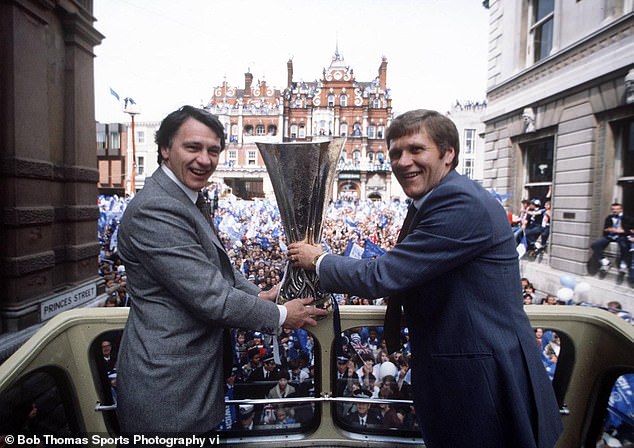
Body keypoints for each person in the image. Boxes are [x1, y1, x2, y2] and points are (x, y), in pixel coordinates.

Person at [289, 109, 563, 447]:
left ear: (448, 154)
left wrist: (319, 261)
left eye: (416, 150)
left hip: (482, 379)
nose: (403, 161)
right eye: (395, 153)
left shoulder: (459, 201)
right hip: (459, 370)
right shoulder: (429, 199)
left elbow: (383, 275)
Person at [115, 106, 327, 435]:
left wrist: (257, 294)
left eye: (213, 150)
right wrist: (282, 316)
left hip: (191, 382)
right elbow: (211, 296)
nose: (205, 159)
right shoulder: (157, 208)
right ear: (165, 149)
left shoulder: (185, 197)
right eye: (193, 147)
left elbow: (217, 269)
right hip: (169, 392)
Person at [589, 203, 633, 274]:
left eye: (617, 209)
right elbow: (605, 228)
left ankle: (623, 264)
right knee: (594, 245)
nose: (615, 211)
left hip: (621, 236)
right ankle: (605, 262)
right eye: (613, 209)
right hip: (610, 236)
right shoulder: (609, 217)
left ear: (621, 209)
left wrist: (622, 231)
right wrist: (609, 229)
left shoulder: (627, 218)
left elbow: (631, 230)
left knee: (624, 245)